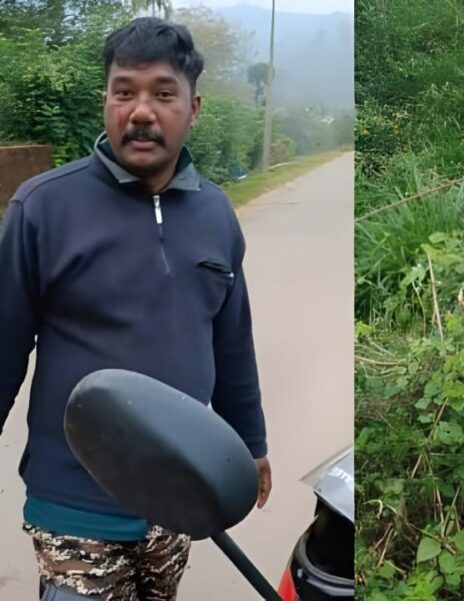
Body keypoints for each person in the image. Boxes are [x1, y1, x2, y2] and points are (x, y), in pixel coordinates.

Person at [0, 17, 271, 600]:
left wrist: (250, 445)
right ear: (106, 101)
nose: (141, 111)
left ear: (193, 109)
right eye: (124, 92)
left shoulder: (216, 215)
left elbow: (231, 342)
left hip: (177, 492)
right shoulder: (43, 208)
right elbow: (2, 344)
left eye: (163, 94)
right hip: (74, 499)